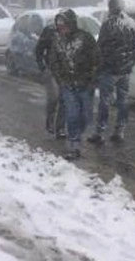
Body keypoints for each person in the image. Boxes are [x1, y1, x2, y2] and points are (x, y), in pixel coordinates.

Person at [88, 0, 135, 145]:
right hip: (125, 71)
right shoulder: (133, 24)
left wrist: (98, 67)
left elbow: (101, 48)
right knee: (123, 100)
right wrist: (129, 63)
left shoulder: (108, 24)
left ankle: (100, 131)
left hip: (109, 70)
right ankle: (120, 130)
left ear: (110, 7)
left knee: (105, 101)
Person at [49, 9, 99, 160]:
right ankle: (73, 145)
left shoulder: (86, 38)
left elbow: (96, 59)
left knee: (85, 115)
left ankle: (78, 134)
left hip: (85, 83)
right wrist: (60, 79)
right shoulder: (57, 41)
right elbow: (54, 61)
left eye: (64, 25)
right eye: (59, 25)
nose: (62, 28)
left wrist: (91, 79)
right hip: (67, 84)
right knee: (72, 114)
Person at [35, 19, 65, 138]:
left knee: (64, 100)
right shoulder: (50, 31)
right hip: (51, 70)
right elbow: (39, 50)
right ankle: (50, 122)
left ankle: (61, 127)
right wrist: (42, 66)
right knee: (53, 98)